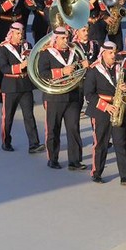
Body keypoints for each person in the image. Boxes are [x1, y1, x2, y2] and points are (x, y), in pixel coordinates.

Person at [83, 41, 126, 182]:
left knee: (121, 143)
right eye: (110, 53)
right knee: (101, 144)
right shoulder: (94, 70)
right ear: (103, 53)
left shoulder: (121, 69)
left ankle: (125, 176)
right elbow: (89, 95)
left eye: (114, 53)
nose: (113, 55)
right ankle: (96, 173)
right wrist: (106, 106)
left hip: (118, 109)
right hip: (101, 111)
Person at [37, 26, 86, 170]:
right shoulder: (46, 53)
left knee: (73, 128)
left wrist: (83, 66)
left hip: (72, 95)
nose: (66, 40)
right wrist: (62, 72)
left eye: (67, 38)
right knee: (53, 129)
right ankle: (53, 159)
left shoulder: (74, 52)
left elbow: (78, 70)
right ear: (55, 39)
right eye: (63, 38)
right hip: (54, 97)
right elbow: (42, 73)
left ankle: (75, 161)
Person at [0, 22, 44, 153]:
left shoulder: (27, 46)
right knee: (8, 117)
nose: (20, 36)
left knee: (29, 116)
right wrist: (20, 66)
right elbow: (3, 68)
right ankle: (6, 141)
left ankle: (34, 144)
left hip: (25, 85)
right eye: (18, 33)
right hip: (11, 86)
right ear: (11, 33)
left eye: (21, 33)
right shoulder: (3, 48)